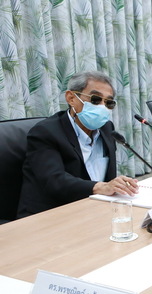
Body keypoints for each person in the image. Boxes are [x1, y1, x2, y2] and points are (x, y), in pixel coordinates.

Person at [18, 71, 138, 218]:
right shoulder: (45, 132)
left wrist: (116, 186)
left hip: (92, 208)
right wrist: (101, 187)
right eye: (95, 100)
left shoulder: (107, 128)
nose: (102, 107)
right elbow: (54, 181)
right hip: (49, 214)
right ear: (71, 98)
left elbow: (105, 177)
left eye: (108, 102)